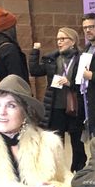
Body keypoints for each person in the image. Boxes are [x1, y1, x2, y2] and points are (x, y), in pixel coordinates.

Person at [29, 28, 85, 171]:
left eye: (63, 39)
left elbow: (86, 83)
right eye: (58, 39)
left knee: (77, 141)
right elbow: (35, 70)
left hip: (75, 106)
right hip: (55, 106)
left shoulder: (81, 59)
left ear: (72, 41)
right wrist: (35, 51)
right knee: (56, 141)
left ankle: (78, 169)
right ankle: (58, 169)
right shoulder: (52, 59)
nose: (59, 42)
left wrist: (70, 83)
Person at [0, 6, 29, 81]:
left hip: (0, 89)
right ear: (11, 28)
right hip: (14, 90)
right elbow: (17, 78)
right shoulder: (10, 49)